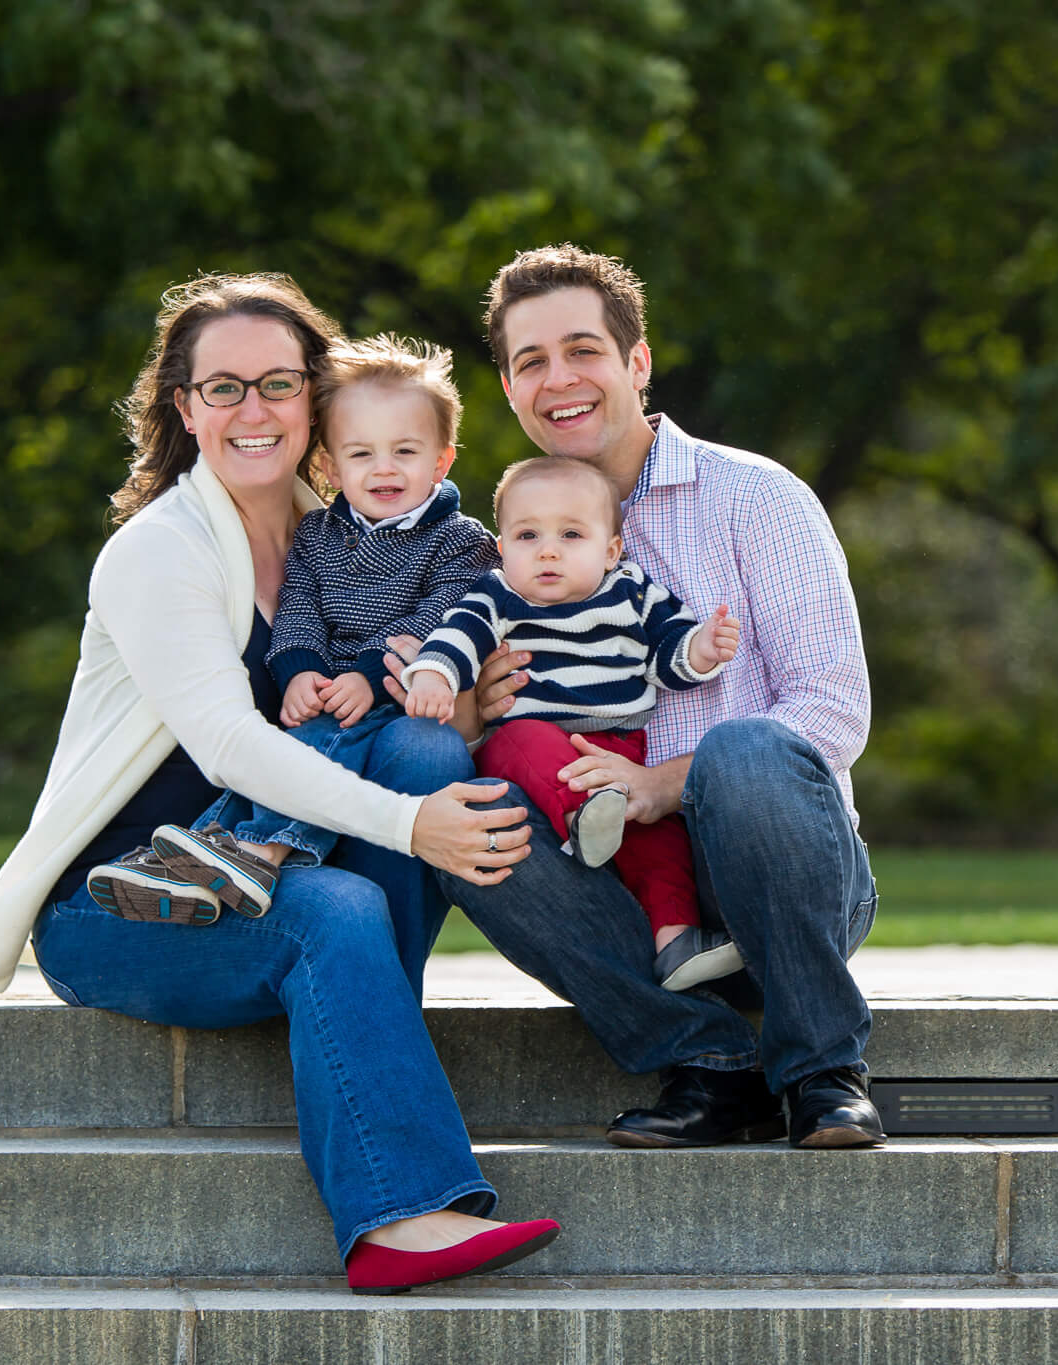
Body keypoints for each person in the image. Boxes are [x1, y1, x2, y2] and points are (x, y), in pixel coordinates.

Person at [0, 273, 559, 1293]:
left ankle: (361, 1033)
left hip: (266, 871)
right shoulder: (159, 552)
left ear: (313, 402)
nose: (250, 410)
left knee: (420, 754)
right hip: (122, 903)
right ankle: (398, 1220)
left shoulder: (352, 529)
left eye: (276, 383)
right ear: (184, 408)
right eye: (221, 387)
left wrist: (458, 691)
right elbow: (233, 747)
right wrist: (412, 828)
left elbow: (402, 721)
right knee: (335, 906)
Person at [416, 244, 885, 1150]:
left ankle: (823, 1071)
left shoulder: (757, 497)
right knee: (450, 816)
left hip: (782, 887)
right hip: (620, 902)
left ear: (636, 362)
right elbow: (474, 719)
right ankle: (709, 1064)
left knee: (744, 749)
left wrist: (663, 782)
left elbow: (832, 709)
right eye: (530, 362)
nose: (560, 379)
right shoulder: (510, 546)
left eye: (583, 349)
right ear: (509, 392)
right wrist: (468, 706)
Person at [101, 334, 498, 916]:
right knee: (300, 743)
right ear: (333, 467)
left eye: (405, 453)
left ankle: (259, 855)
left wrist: (367, 673)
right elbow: (300, 606)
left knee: (327, 745)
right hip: (330, 691)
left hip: (395, 693)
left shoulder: (461, 540)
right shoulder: (317, 532)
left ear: (442, 459)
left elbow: (444, 612)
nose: (383, 469)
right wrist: (299, 669)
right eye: (361, 455)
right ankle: (216, 853)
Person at [399, 454, 746, 991]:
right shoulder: (498, 595)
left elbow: (666, 658)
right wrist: (434, 675)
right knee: (527, 737)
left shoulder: (632, 593)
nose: (549, 550)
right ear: (502, 548)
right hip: (529, 742)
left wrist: (701, 649)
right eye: (528, 535)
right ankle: (585, 816)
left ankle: (675, 939)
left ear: (611, 551)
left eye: (571, 534)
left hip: (617, 751)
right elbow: (457, 636)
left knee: (659, 840)